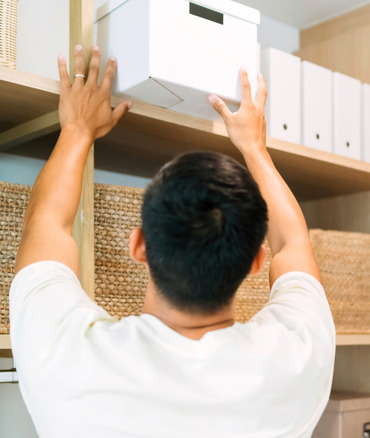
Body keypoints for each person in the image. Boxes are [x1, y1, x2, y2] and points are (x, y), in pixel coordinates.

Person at [9, 45, 335, 437]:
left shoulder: (67, 357)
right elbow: (293, 244)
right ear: (255, 260)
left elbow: (45, 227)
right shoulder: (296, 359)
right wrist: (255, 148)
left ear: (139, 246)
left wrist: (77, 130)